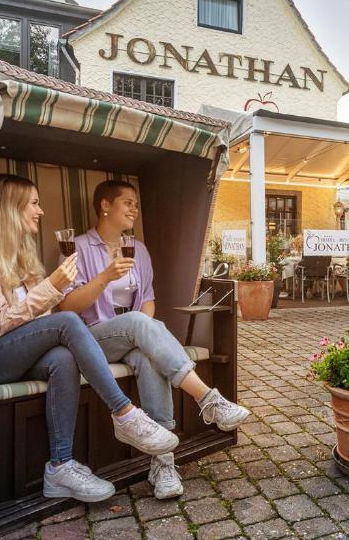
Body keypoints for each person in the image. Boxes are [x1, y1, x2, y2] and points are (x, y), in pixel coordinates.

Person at [0, 174, 179, 503]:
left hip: (24, 351)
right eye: (34, 203)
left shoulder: (21, 250)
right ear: (9, 207)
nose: (40, 211)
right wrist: (53, 287)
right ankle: (124, 413)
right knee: (66, 321)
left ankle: (60, 467)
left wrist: (51, 297)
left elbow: (40, 315)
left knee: (64, 358)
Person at [60, 180, 250, 500]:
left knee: (148, 356)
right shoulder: (77, 248)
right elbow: (66, 306)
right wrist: (106, 277)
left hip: (134, 337)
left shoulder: (138, 249)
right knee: (139, 323)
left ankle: (163, 462)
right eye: (127, 202)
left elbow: (147, 298)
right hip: (93, 339)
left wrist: (143, 332)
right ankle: (207, 399)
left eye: (136, 204)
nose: (134, 209)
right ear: (105, 205)